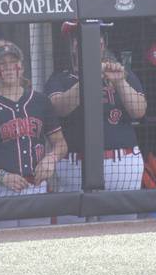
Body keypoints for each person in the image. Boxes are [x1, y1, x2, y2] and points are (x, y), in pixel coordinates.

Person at [45, 21, 147, 222]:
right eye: (78, 39)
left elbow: (139, 111)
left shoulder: (122, 73)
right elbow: (59, 108)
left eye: (98, 37)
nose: (92, 42)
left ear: (103, 42)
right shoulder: (60, 78)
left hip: (122, 164)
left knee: (123, 236)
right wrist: (90, 74)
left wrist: (119, 81)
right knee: (75, 236)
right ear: (72, 45)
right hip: (76, 167)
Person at [0, 41, 67, 228]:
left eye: (13, 62)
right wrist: (1, 176)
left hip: (34, 187)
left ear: (21, 67)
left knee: (38, 247)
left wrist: (50, 159)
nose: (9, 68)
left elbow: (60, 143)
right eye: (2, 64)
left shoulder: (40, 101)